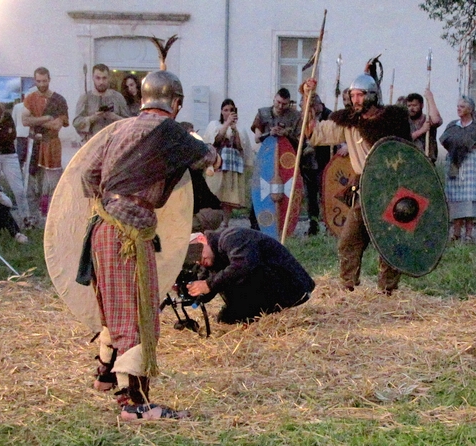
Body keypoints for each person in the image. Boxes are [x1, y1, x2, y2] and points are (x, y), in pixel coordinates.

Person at [80, 70, 220, 420]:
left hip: (101, 229)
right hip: (128, 234)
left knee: (114, 307)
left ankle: (104, 376)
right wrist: (212, 152)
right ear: (176, 104)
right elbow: (206, 157)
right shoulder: (170, 130)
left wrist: (113, 200)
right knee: (138, 314)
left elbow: (87, 177)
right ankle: (135, 404)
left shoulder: (119, 129)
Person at [302, 73, 412, 295]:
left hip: (391, 187)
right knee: (349, 240)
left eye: (359, 95)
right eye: (352, 95)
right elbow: (315, 131)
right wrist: (307, 97)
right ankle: (347, 288)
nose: (355, 100)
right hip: (364, 188)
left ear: (371, 95)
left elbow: (407, 155)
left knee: (389, 241)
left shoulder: (393, 120)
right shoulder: (349, 122)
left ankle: (387, 291)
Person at [186, 228, 315, 324]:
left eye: (197, 253)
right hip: (277, 287)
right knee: (227, 319)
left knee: (235, 275)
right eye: (193, 259)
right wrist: (189, 290)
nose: (198, 260)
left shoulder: (231, 237)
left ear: (202, 239)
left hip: (292, 287)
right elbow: (207, 288)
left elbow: (243, 266)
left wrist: (209, 284)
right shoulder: (211, 256)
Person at [249, 87, 302, 230]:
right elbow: (257, 138)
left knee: (285, 193)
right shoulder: (262, 113)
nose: (280, 106)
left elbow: (300, 139)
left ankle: (283, 225)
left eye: (284, 104)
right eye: (278, 102)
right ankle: (256, 223)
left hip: (286, 161)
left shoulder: (295, 116)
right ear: (274, 99)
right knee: (261, 190)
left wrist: (285, 134)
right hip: (266, 159)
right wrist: (269, 133)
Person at [22, 67, 69, 217]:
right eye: (38, 81)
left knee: (53, 182)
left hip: (52, 144)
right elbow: (24, 120)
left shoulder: (59, 99)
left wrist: (35, 121)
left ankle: (52, 216)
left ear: (49, 79)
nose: (41, 84)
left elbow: (57, 125)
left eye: (44, 81)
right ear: (35, 80)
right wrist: (46, 118)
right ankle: (34, 217)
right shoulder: (30, 98)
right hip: (34, 144)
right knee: (33, 182)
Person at [439, 96, 476, 242]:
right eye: (458, 106)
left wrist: (466, 145)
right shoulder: (453, 125)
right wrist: (456, 147)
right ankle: (456, 232)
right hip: (454, 161)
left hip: (470, 162)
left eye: (462, 106)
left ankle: (468, 233)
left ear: (470, 109)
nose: (458, 108)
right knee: (455, 198)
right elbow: (446, 140)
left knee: (469, 198)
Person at [203, 99, 251, 228]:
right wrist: (227, 124)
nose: (228, 112)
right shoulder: (214, 124)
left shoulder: (240, 128)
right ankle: (212, 221)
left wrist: (234, 129)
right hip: (218, 164)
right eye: (226, 110)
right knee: (215, 192)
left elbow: (240, 146)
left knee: (228, 196)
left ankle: (225, 222)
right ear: (221, 111)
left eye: (231, 110)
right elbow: (215, 140)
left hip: (232, 165)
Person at [0, 98, 30, 226]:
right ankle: (2, 220)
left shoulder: (6, 117)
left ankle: (26, 219)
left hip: (9, 156)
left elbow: (11, 136)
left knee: (19, 189)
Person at [179, 121, 224, 232]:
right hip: (204, 211)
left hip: (206, 212)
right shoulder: (182, 157)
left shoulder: (190, 157)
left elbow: (214, 158)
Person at [300, 94, 333, 235]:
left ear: (318, 105)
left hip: (323, 162)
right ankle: (313, 225)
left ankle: (329, 225)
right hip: (307, 163)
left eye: (311, 106)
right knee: (311, 196)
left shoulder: (329, 116)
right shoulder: (304, 118)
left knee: (325, 196)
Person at [73, 64, 130, 142]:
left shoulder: (118, 97)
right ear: (93, 78)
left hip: (114, 143)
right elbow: (76, 123)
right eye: (98, 78)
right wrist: (92, 118)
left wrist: (114, 117)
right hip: (92, 143)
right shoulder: (85, 98)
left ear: (109, 78)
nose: (101, 82)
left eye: (104, 78)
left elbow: (129, 122)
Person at [406, 89, 443, 164]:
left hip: (427, 162)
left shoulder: (427, 120)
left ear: (422, 105)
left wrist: (430, 99)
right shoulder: (405, 122)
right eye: (409, 106)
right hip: (408, 161)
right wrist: (421, 131)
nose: (411, 108)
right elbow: (404, 139)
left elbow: (436, 120)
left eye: (414, 105)